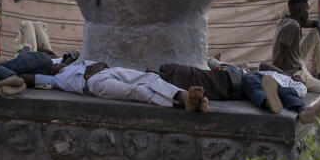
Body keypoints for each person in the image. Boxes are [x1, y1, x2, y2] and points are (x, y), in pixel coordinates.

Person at [271, 0, 320, 133]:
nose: (308, 12)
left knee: (317, 32)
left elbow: (314, 23)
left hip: (298, 61)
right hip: (296, 73)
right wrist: (284, 78)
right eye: (307, 9)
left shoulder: (290, 20)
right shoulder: (291, 26)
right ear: (299, 9)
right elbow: (279, 57)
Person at [27, 59, 208, 111]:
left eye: (56, 63)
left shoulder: (71, 64)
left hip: (110, 71)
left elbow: (67, 55)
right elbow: (30, 78)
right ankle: (179, 103)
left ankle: (183, 96)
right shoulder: (55, 79)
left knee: (149, 78)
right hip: (94, 84)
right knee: (136, 92)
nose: (56, 64)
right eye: (53, 66)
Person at [242, 70, 320, 125]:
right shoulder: (282, 75)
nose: (298, 77)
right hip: (264, 80)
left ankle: (304, 111)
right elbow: (264, 64)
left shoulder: (300, 86)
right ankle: (302, 109)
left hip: (274, 88)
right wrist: (288, 74)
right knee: (250, 80)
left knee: (286, 93)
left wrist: (299, 82)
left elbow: (297, 91)